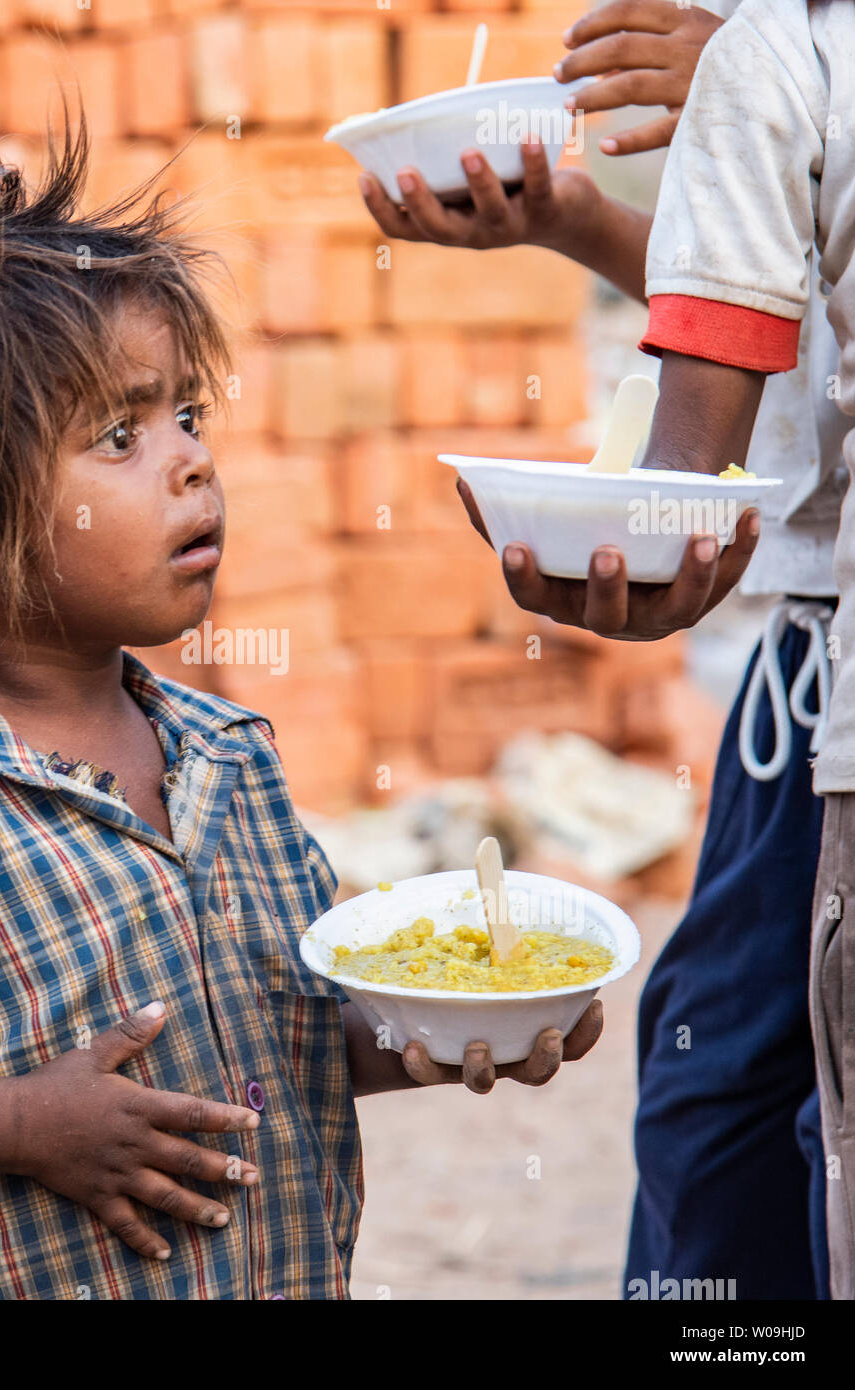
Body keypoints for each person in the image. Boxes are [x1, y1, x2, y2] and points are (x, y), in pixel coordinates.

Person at [0, 113, 601, 1301]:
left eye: (188, 416)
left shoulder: (227, 759)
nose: (191, 461)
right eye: (119, 434)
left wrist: (459, 1024)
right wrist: (23, 1124)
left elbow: (297, 1024)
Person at [358, 0, 839, 1298]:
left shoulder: (786, 62)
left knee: (797, 1132)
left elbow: (690, 467)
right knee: (719, 1099)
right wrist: (574, 216)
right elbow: (776, 328)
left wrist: (769, 105)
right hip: (800, 685)